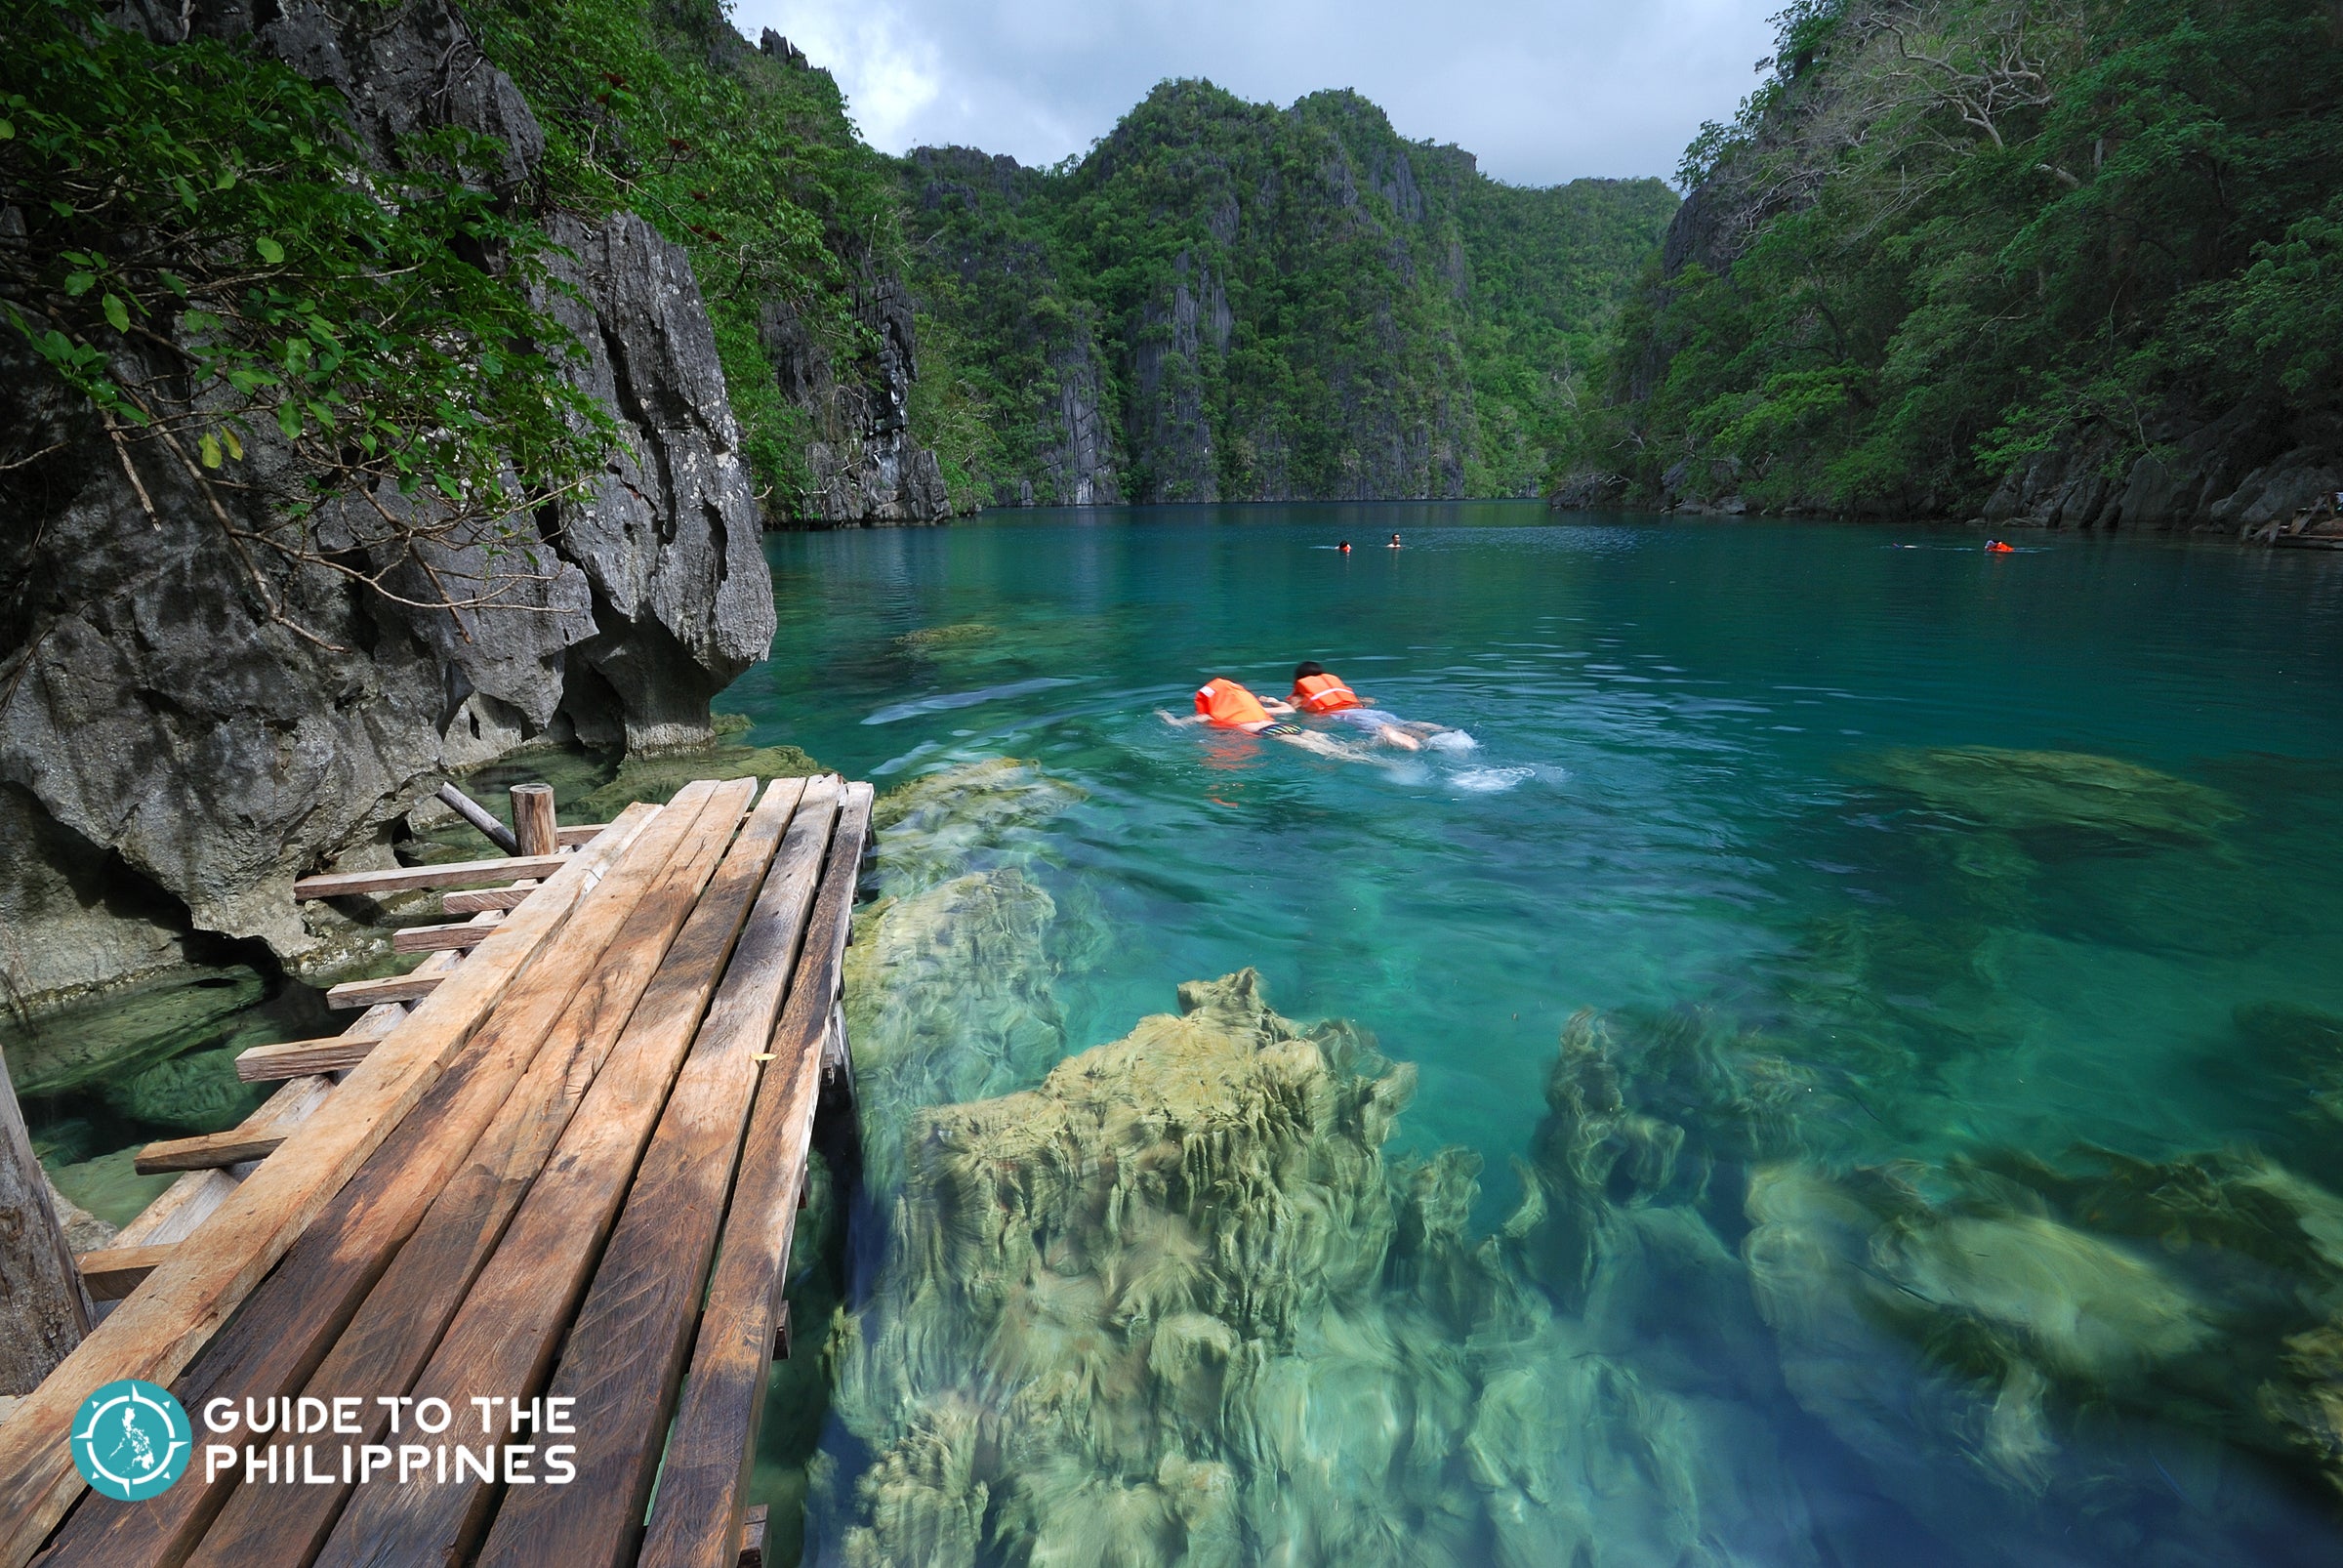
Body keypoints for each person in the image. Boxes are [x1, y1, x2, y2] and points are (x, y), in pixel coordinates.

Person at [1159, 678, 1372, 762]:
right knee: (1328, 742)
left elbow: (1178, 724)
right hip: (1285, 726)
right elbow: (1287, 709)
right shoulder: (1254, 707)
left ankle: (1378, 762)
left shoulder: (1208, 715)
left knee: (1329, 753)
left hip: (1267, 733)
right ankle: (1372, 745)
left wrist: (1165, 715)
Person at [1287, 661, 1469, 752]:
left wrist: (1273, 703)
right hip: (1368, 709)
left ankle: (1397, 738)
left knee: (1384, 729)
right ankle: (1441, 732)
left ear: (1299, 680)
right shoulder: (1335, 687)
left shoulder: (1302, 694)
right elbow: (1369, 700)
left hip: (1349, 715)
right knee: (1404, 723)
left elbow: (1290, 709)